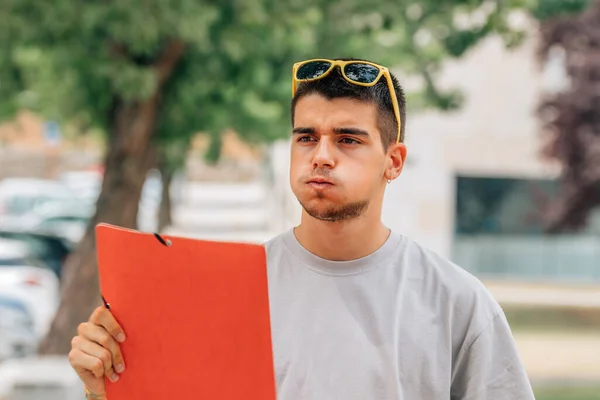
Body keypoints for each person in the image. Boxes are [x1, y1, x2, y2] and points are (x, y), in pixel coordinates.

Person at [69, 58, 535, 399]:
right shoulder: (229, 290)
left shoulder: (457, 303)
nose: (322, 155)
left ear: (393, 162)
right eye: (306, 137)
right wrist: (105, 389)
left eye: (348, 139)